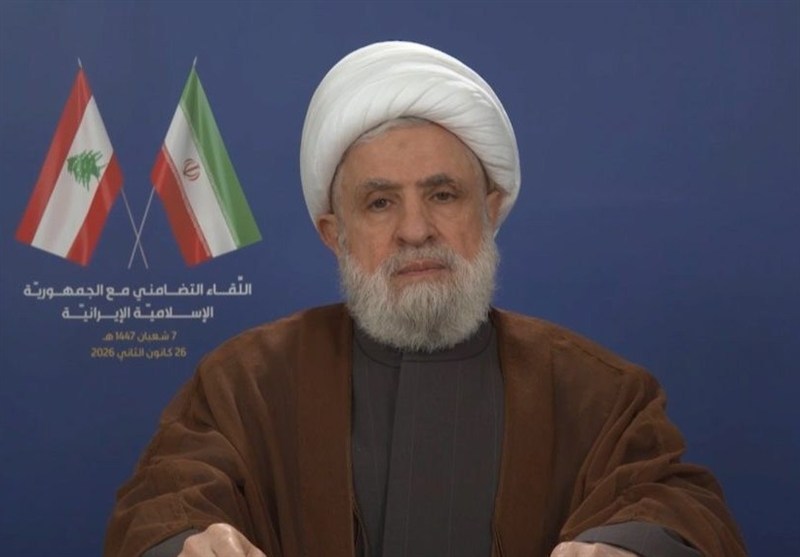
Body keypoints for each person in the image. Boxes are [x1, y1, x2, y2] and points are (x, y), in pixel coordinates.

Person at [105, 41, 746, 557]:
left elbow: (673, 502)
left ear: (490, 210)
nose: (415, 230)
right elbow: (164, 500)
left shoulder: (600, 393)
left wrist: (626, 546)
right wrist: (190, 543)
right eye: (380, 202)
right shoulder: (243, 382)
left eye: (443, 195)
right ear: (334, 233)